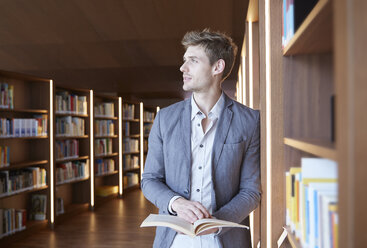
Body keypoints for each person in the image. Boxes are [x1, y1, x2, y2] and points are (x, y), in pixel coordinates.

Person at [141, 29, 261, 248]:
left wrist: (219, 221)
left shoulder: (250, 121)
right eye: (184, 60)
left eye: (193, 61)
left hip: (225, 240)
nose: (182, 68)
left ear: (217, 67)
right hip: (173, 240)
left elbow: (251, 191)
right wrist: (175, 203)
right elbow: (149, 179)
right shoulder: (165, 118)